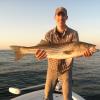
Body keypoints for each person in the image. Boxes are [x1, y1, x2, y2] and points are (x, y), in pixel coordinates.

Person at [35, 7, 93, 100]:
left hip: (66, 70)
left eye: (63, 15)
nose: (61, 17)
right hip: (52, 69)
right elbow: (42, 50)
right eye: (58, 15)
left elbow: (74, 52)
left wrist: (84, 53)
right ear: (55, 17)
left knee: (67, 97)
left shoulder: (73, 33)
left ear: (67, 17)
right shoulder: (48, 34)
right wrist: (39, 55)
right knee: (47, 95)